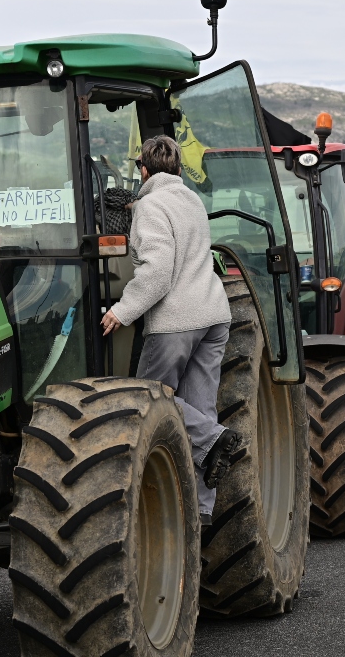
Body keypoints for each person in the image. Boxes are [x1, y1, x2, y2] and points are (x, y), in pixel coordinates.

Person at [102, 135, 242, 527]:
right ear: (178, 168)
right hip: (213, 315)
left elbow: (158, 272)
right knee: (200, 408)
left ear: (143, 170)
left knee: (149, 400)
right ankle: (201, 509)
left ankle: (213, 440)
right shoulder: (192, 200)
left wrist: (122, 311)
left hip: (176, 321)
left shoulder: (149, 206)